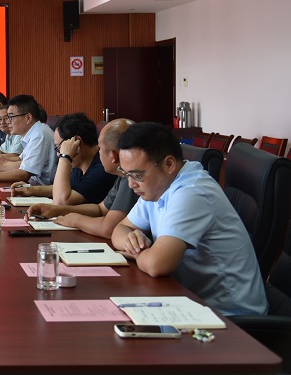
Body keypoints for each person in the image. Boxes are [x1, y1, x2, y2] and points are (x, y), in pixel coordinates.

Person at [111, 122, 267, 316]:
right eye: (126, 174)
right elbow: (119, 230)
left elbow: (157, 265)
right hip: (189, 301)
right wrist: (131, 240)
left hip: (231, 317)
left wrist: (136, 254)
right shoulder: (156, 186)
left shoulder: (192, 192)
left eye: (137, 174)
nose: (131, 184)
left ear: (169, 164)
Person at [26, 118, 139, 238]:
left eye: (100, 148)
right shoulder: (121, 176)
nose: (98, 152)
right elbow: (100, 209)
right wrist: (57, 211)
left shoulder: (129, 178)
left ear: (113, 156)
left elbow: (108, 228)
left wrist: (76, 220)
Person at [11, 112, 116, 205]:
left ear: (77, 142)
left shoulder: (102, 169)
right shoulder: (81, 163)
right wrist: (31, 190)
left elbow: (61, 201)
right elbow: (61, 189)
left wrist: (65, 157)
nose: (58, 154)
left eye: (59, 148)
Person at [0, 94, 54, 184]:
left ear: (28, 118)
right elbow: (19, 165)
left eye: (11, 117)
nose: (8, 121)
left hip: (39, 188)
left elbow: (24, 174)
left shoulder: (39, 135)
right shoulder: (33, 133)